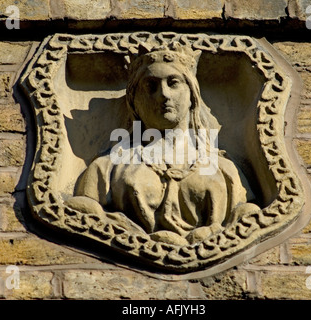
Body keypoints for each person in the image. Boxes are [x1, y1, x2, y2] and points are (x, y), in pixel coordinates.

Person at [65, 42, 259, 246]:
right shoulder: (107, 168)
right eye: (151, 86)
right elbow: (84, 212)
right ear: (134, 101)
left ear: (192, 96)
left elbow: (244, 215)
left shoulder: (225, 171)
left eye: (173, 83)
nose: (163, 94)